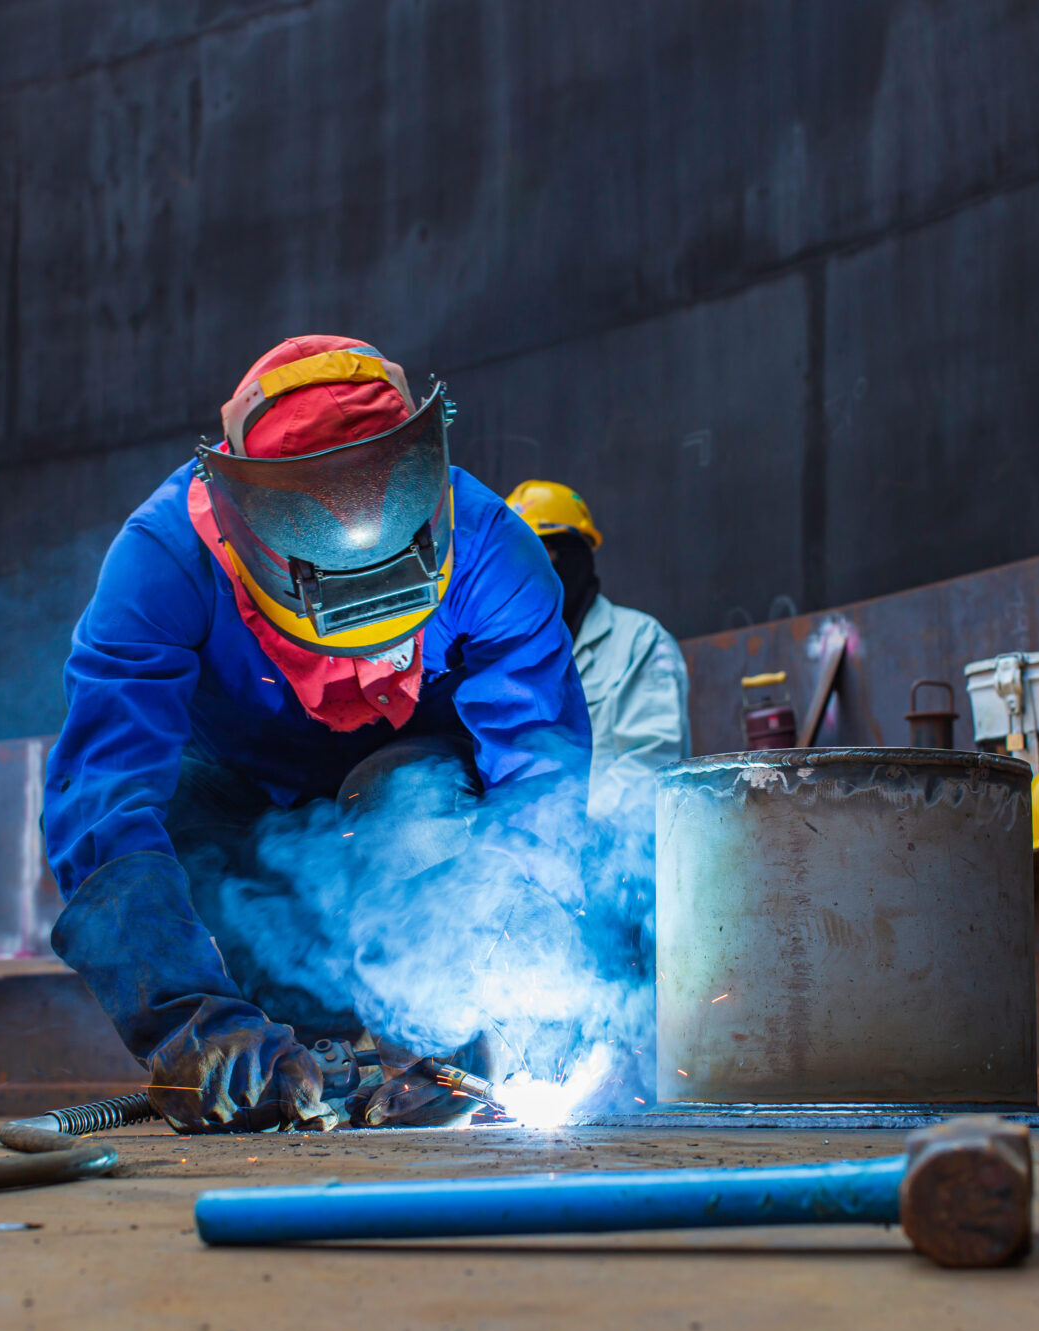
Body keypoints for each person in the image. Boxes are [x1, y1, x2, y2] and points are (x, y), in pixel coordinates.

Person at [43, 336, 591, 1134]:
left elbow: (538, 779)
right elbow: (102, 804)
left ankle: (441, 1046)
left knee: (410, 800)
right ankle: (276, 1051)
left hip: (409, 785)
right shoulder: (163, 560)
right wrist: (188, 1021)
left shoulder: (489, 547)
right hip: (238, 796)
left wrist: (534, 956)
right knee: (186, 817)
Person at [505, 480, 689, 822]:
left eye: (543, 555)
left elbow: (649, 764)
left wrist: (573, 834)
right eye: (516, 563)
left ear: (577, 555)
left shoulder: (638, 641)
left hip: (622, 849)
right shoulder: (503, 659)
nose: (528, 575)